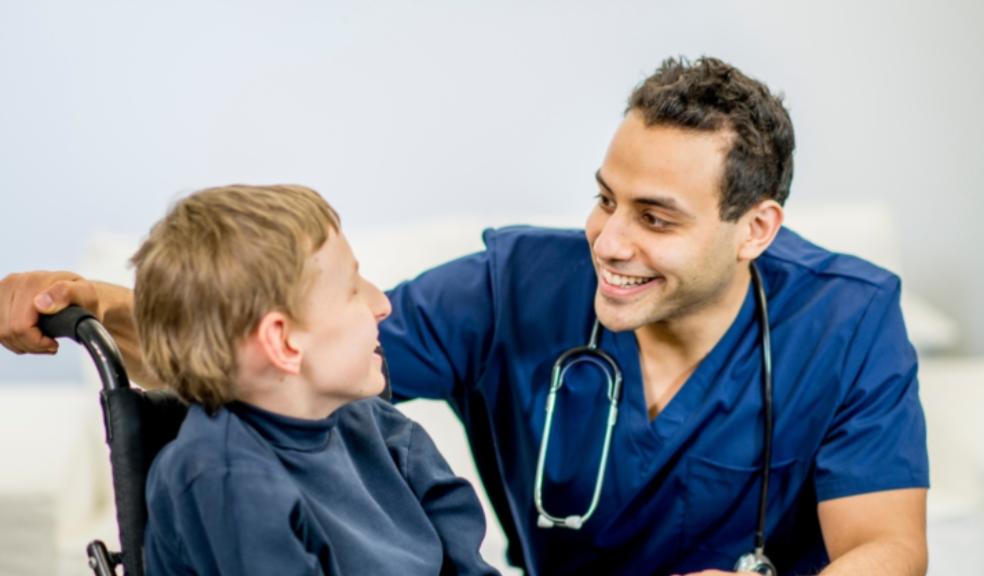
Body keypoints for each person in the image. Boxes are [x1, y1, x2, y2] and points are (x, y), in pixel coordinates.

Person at [0, 57, 928, 575]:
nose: (607, 241)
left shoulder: (848, 320)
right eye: (605, 199)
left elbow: (888, 546)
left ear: (755, 228)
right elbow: (279, 348)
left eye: (656, 219)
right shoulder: (516, 284)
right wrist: (91, 303)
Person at [131, 185, 498, 575]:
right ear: (284, 342)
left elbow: (460, 543)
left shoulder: (378, 426)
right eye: (353, 290)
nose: (382, 305)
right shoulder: (223, 479)